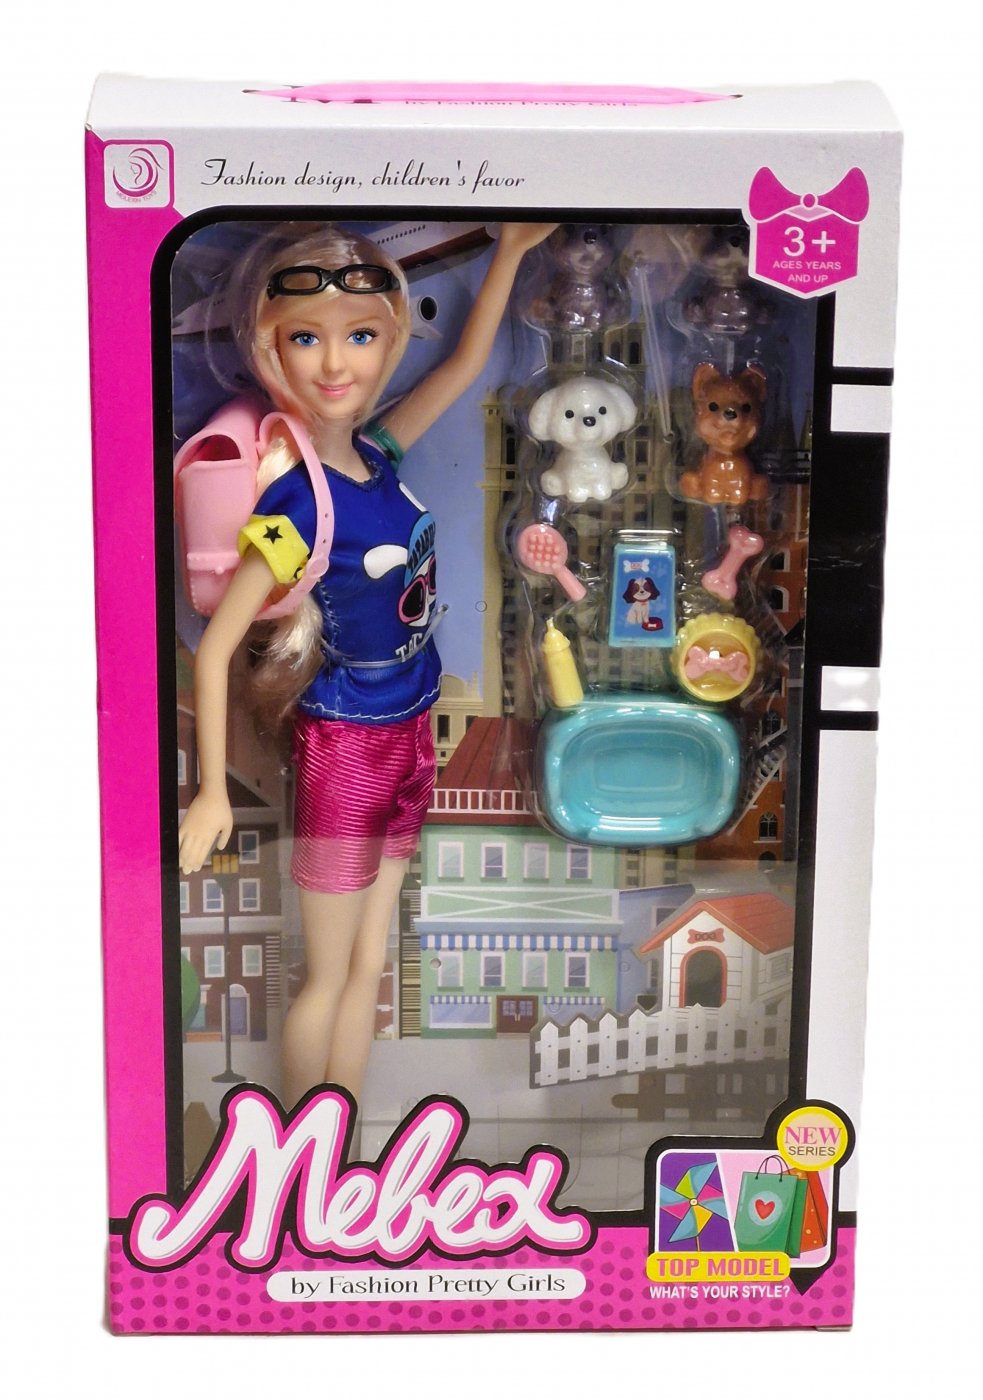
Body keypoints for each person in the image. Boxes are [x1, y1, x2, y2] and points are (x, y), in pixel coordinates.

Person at [177, 220, 553, 1109]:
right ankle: (302, 1150)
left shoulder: (377, 456)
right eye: (305, 338)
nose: (334, 363)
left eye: (359, 335)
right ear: (268, 348)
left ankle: (336, 1151)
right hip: (345, 749)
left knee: (370, 963)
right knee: (328, 972)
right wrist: (211, 792)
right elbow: (221, 642)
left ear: (389, 340)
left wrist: (508, 251)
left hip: (410, 732)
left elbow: (461, 368)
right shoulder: (295, 506)